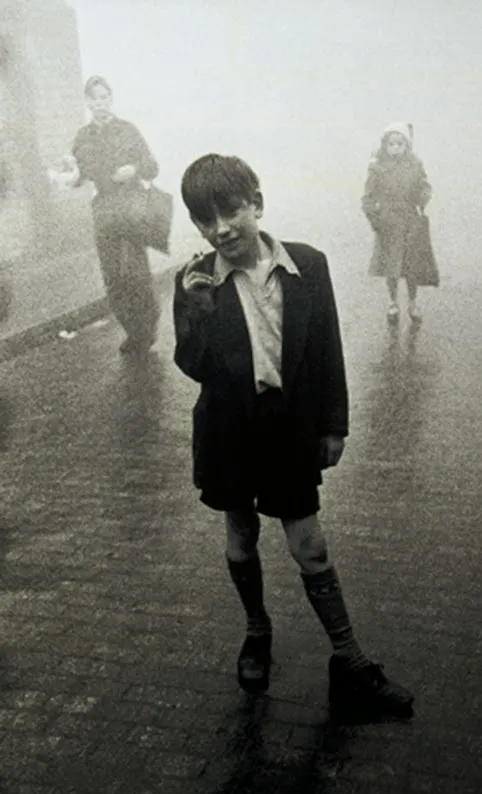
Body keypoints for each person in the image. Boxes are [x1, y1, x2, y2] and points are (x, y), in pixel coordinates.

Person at [173, 153, 414, 719]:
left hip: (288, 430)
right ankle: (257, 631)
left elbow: (328, 347)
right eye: (205, 220)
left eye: (230, 211)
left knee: (310, 544)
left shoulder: (307, 264)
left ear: (256, 203)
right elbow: (194, 365)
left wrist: (336, 424)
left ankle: (351, 662)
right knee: (240, 534)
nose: (221, 229)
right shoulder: (196, 282)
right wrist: (201, 311)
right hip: (230, 432)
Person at [52, 76, 161, 353]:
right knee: (113, 275)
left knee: (136, 272)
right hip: (104, 209)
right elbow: (78, 176)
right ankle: (132, 330)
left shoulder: (128, 130)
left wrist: (134, 169)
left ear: (111, 99)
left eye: (103, 97)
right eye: (93, 98)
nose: (99, 103)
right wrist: (67, 171)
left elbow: (152, 166)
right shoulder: (83, 137)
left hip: (131, 206)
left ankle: (146, 329)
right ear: (87, 102)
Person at [362, 121, 438, 324]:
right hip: (388, 223)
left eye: (400, 144)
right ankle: (393, 302)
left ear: (407, 145)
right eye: (391, 144)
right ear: (384, 146)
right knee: (392, 267)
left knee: (412, 266)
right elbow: (368, 197)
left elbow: (424, 185)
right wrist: (375, 218)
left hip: (410, 221)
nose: (395, 148)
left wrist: (423, 195)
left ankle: (413, 302)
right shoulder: (377, 168)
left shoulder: (415, 165)